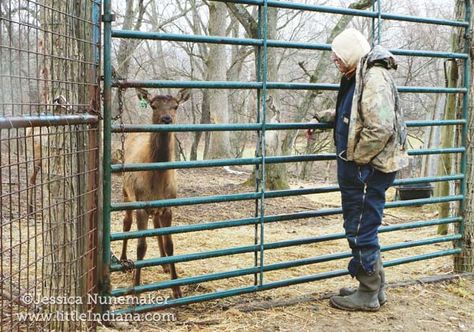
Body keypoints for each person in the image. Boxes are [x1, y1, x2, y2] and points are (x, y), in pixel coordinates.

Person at [307, 29, 409, 312]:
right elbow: (355, 113)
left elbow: (380, 127)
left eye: (338, 56)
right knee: (364, 226)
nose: (335, 61)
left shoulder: (373, 77)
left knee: (360, 229)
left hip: (367, 169)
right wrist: (327, 117)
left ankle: (368, 292)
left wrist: (357, 159)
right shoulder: (361, 74)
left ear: (351, 52)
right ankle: (376, 288)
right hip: (366, 168)